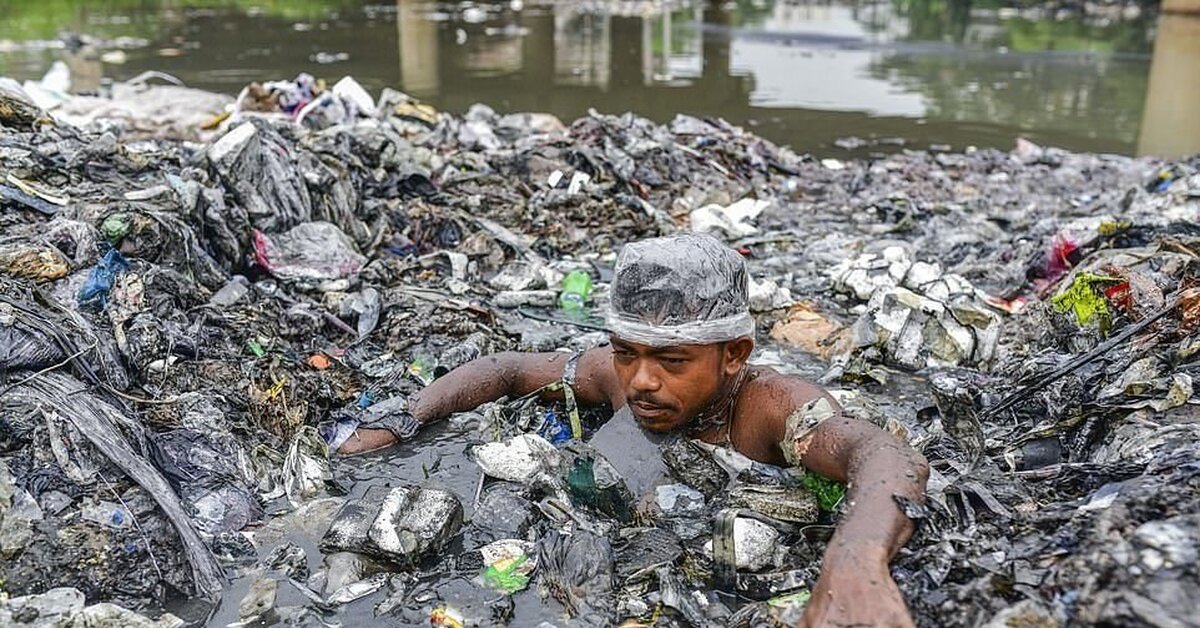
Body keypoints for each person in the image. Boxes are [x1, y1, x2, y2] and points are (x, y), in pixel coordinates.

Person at [339, 233, 929, 627]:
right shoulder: (619, 375)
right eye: (628, 352)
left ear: (733, 353)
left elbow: (883, 454)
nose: (642, 381)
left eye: (672, 361)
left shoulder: (771, 410)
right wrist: (403, 421)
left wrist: (854, 561)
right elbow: (511, 368)